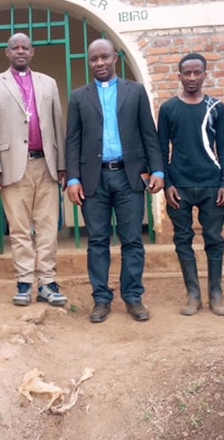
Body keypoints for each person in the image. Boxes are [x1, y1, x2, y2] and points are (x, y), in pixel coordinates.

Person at [66, 38, 164, 323]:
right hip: (93, 179)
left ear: (115, 58)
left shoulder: (135, 92)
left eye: (104, 57)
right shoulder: (78, 97)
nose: (99, 63)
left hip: (129, 176)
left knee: (132, 239)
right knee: (97, 240)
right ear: (89, 62)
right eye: (94, 59)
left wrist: (157, 170)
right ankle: (100, 299)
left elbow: (149, 133)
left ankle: (133, 297)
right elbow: (72, 140)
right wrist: (73, 178)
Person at [0, 32, 68, 307]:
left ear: (32, 52)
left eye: (25, 47)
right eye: (14, 48)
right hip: (11, 167)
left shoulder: (48, 83)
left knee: (47, 227)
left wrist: (63, 165)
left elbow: (57, 125)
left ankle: (47, 283)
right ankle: (24, 283)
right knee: (19, 230)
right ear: (7, 53)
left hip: (46, 164)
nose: (20, 51)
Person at [158, 53, 224, 317]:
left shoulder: (216, 107)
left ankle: (216, 293)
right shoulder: (168, 109)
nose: (192, 78)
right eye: (186, 73)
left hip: (212, 184)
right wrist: (167, 184)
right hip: (179, 186)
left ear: (204, 74)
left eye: (196, 73)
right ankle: (193, 293)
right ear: (179, 76)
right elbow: (160, 150)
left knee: (214, 239)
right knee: (182, 239)